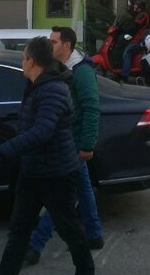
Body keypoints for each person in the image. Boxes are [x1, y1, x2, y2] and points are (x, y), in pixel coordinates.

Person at [0, 37, 95, 275]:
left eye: (23, 58)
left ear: (31, 61)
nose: (22, 63)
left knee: (69, 228)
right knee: (19, 230)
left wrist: (3, 152)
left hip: (57, 174)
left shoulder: (53, 89)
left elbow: (43, 131)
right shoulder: (36, 85)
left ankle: (86, 270)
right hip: (32, 172)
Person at [24, 26, 103, 266]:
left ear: (66, 45)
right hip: (65, 139)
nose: (50, 45)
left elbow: (91, 107)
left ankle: (35, 244)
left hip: (74, 142)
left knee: (61, 198)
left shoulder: (81, 71)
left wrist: (86, 144)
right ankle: (94, 233)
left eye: (54, 41)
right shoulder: (57, 67)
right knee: (82, 188)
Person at [119, 0, 150, 81]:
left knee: (127, 53)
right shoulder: (140, 15)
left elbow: (134, 26)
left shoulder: (142, 15)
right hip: (137, 39)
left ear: (139, 6)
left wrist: (123, 30)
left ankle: (125, 76)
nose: (134, 6)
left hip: (138, 40)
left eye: (135, 4)